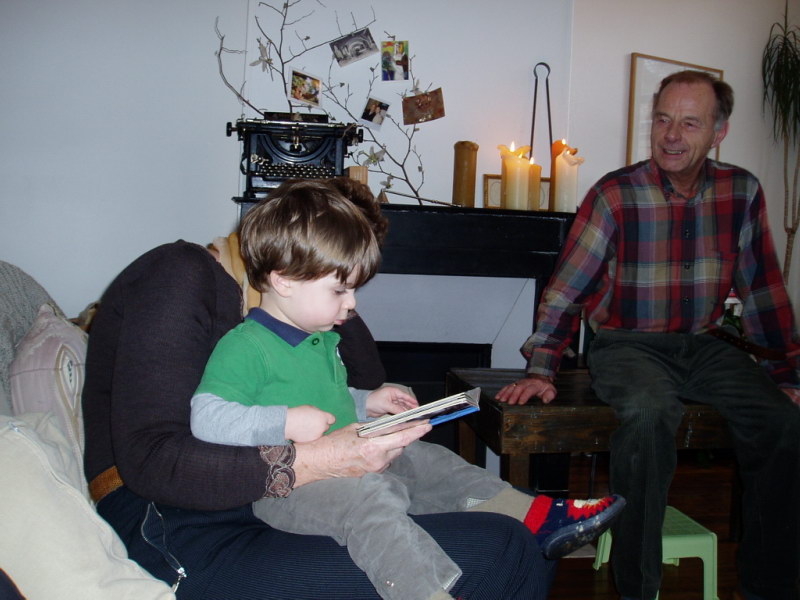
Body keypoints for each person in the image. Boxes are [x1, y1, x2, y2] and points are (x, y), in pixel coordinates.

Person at [80, 175, 611, 600]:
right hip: (169, 514)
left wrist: (332, 310)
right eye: (340, 278)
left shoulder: (287, 317)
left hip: (245, 488)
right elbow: (155, 460)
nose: (352, 301)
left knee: (505, 529)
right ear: (291, 258)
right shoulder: (182, 274)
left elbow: (364, 375)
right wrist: (318, 458)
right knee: (502, 549)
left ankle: (537, 516)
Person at [496, 70, 800, 600]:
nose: (671, 135)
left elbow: (762, 292)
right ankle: (638, 589)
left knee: (783, 422)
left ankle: (768, 588)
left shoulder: (742, 192)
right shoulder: (615, 194)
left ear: (718, 132)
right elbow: (565, 290)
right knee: (647, 414)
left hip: (704, 344)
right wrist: (543, 368)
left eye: (689, 123)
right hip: (627, 344)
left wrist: (787, 375)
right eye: (662, 120)